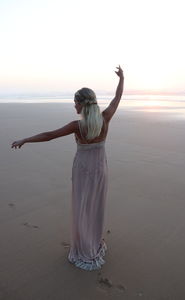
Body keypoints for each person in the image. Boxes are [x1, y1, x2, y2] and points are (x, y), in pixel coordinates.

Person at [11, 65, 124, 271]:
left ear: (82, 104)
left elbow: (49, 135)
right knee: (95, 206)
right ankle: (93, 242)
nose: (74, 106)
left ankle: (84, 248)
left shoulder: (77, 126)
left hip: (83, 170)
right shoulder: (105, 118)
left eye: (75, 102)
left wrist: (25, 139)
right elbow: (117, 99)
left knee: (81, 208)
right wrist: (122, 79)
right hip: (100, 169)